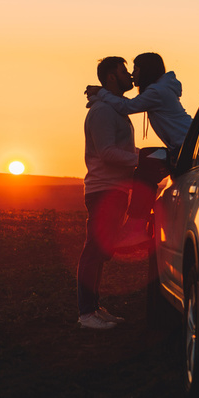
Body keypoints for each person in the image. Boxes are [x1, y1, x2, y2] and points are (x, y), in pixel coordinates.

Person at [86, 53, 192, 247]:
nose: (133, 74)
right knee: (146, 159)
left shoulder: (156, 92)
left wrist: (100, 92)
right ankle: (137, 225)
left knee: (146, 162)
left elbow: (127, 106)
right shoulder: (159, 89)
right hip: (183, 147)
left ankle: (135, 226)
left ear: (146, 70)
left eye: (135, 69)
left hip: (184, 149)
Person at [77, 56, 138, 330]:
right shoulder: (103, 112)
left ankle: (93, 308)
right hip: (103, 189)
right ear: (112, 77)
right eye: (125, 71)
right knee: (94, 250)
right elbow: (107, 153)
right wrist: (142, 159)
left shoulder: (115, 109)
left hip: (114, 188)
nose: (131, 76)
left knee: (101, 249)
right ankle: (86, 313)